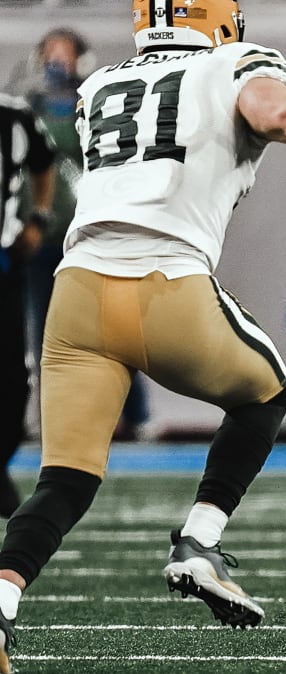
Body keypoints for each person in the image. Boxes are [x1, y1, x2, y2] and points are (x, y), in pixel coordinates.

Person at [0, 0, 286, 674]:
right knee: (266, 391)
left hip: (75, 293)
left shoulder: (99, 84)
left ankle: (2, 598)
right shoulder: (233, 64)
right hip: (165, 285)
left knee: (66, 479)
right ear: (220, 19)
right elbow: (282, 115)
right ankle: (198, 541)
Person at [6, 29, 154, 443]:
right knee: (41, 333)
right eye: (50, 53)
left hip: (87, 231)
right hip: (39, 234)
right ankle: (53, 418)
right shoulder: (27, 108)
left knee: (112, 326)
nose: (56, 61)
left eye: (64, 53)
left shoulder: (94, 105)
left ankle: (135, 413)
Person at [0, 94, 57, 524]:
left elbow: (44, 163)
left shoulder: (14, 115)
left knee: (14, 381)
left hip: (2, 265)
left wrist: (38, 217)